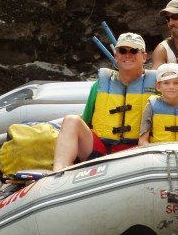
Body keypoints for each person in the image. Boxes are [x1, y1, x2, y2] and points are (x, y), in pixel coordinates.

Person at [53, 32, 156, 171]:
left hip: (138, 152)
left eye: (133, 50)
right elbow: (87, 120)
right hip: (102, 150)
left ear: (144, 57)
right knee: (71, 120)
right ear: (116, 55)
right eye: (122, 50)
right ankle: (59, 174)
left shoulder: (158, 86)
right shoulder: (100, 85)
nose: (127, 55)